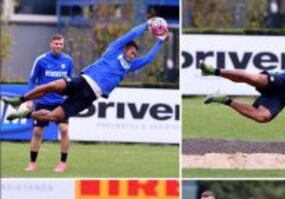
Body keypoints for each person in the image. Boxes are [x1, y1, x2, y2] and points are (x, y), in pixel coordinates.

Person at [3, 18, 168, 124]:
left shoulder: (130, 66)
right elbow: (132, 33)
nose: (134, 53)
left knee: (55, 117)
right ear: (124, 48)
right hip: (84, 81)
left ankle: (25, 115)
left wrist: (160, 42)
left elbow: (148, 60)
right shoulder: (114, 50)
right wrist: (146, 26)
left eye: (136, 52)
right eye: (132, 50)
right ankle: (20, 99)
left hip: (90, 96)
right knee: (53, 85)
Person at [9, 34, 73, 172]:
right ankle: (32, 163)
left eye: (61, 44)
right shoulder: (41, 60)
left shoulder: (68, 61)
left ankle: (62, 163)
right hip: (43, 102)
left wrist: (70, 96)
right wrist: (30, 99)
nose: (59, 46)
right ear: (51, 44)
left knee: (64, 130)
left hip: (60, 103)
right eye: (56, 43)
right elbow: (32, 79)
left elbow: (70, 81)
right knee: (37, 132)